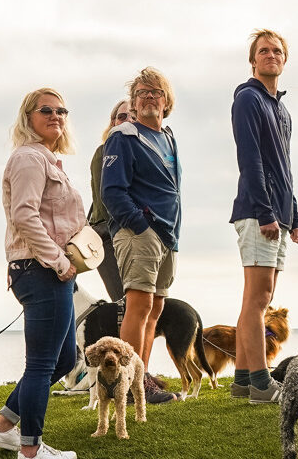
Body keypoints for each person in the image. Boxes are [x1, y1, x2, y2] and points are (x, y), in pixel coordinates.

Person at [0, 88, 84, 459]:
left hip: (53, 271)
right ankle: (31, 450)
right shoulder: (28, 158)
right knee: (42, 364)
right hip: (41, 270)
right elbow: (24, 216)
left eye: (61, 111)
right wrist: (58, 261)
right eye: (46, 110)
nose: (56, 116)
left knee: (65, 360)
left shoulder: (50, 160)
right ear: (28, 117)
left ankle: (3, 428)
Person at [229, 29, 298, 404]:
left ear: (284, 60)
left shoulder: (281, 108)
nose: (271, 55)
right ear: (253, 60)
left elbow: (284, 166)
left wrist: (295, 216)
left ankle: (242, 379)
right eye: (264, 51)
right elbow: (251, 160)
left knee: (259, 296)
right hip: (258, 212)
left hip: (278, 214)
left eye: (277, 51)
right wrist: (265, 212)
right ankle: (261, 382)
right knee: (258, 299)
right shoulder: (248, 98)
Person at [102, 67, 183, 405]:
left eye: (156, 92)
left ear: (166, 102)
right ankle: (124, 384)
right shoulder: (124, 135)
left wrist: (170, 232)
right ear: (133, 104)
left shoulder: (169, 138)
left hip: (168, 235)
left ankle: (141, 380)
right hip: (141, 233)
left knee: (156, 307)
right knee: (139, 304)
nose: (150, 96)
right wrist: (139, 225)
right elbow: (112, 191)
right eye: (142, 93)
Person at [85, 99, 133, 301]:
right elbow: (105, 198)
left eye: (133, 116)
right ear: (113, 122)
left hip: (134, 236)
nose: (127, 120)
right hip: (110, 236)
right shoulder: (103, 152)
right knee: (125, 300)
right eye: (122, 116)